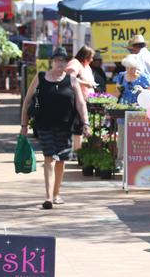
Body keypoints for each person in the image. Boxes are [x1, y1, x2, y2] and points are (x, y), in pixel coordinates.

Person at [20, 47, 89, 210]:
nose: (60, 63)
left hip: (66, 126)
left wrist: (85, 123)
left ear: (66, 63)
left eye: (63, 60)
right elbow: (27, 100)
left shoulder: (72, 80)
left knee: (61, 161)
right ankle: (48, 196)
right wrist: (24, 124)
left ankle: (57, 193)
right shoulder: (41, 77)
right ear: (52, 62)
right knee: (49, 158)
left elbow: (80, 103)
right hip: (44, 125)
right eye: (57, 60)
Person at [65, 45, 97, 153]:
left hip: (85, 100)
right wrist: (86, 83)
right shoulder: (75, 63)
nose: (92, 60)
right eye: (91, 57)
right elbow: (68, 77)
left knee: (81, 126)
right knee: (78, 126)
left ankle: (78, 150)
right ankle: (77, 151)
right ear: (85, 56)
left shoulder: (85, 65)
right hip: (77, 100)